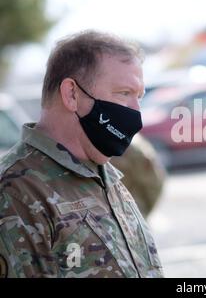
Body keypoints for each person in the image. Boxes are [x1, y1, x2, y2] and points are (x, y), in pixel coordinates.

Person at [0, 31, 163, 278]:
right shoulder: (17, 192)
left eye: (138, 96)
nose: (137, 112)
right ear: (72, 94)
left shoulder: (105, 175)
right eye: (124, 93)